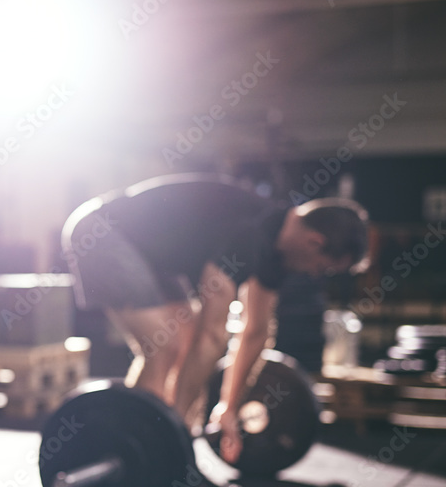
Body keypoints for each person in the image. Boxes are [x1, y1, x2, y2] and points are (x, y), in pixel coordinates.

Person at [62, 173, 368, 470]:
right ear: (315, 242)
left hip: (153, 256)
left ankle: (160, 445)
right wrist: (177, 435)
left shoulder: (276, 253)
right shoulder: (249, 232)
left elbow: (256, 333)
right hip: (102, 231)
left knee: (189, 342)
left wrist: (228, 410)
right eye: (324, 268)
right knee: (165, 346)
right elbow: (212, 336)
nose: (316, 274)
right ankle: (135, 446)